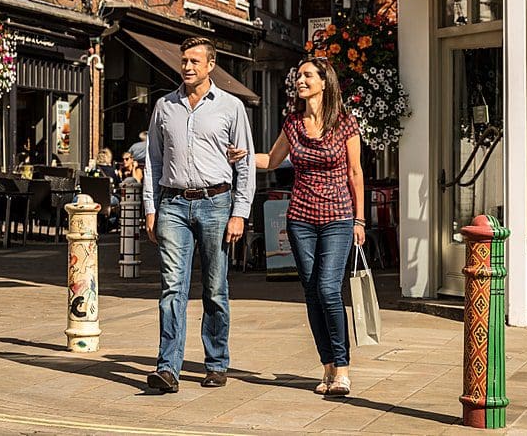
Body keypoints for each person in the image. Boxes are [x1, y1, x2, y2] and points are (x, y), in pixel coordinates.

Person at [231, 57, 365, 397]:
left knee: (328, 289)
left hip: (338, 216)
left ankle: (343, 368)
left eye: (307, 75)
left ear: (324, 81)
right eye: (299, 76)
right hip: (301, 218)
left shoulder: (345, 123)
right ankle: (327, 367)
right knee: (311, 292)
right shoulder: (292, 123)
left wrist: (360, 219)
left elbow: (355, 172)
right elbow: (272, 161)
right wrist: (241, 155)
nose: (300, 80)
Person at [143, 36, 255, 393]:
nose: (187, 66)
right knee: (172, 286)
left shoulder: (231, 107)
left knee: (214, 288)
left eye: (195, 61)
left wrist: (240, 212)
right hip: (173, 204)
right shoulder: (164, 106)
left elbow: (246, 163)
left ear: (210, 66)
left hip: (216, 203)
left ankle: (216, 362)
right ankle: (168, 368)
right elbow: (153, 161)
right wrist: (151, 207)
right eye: (184, 60)